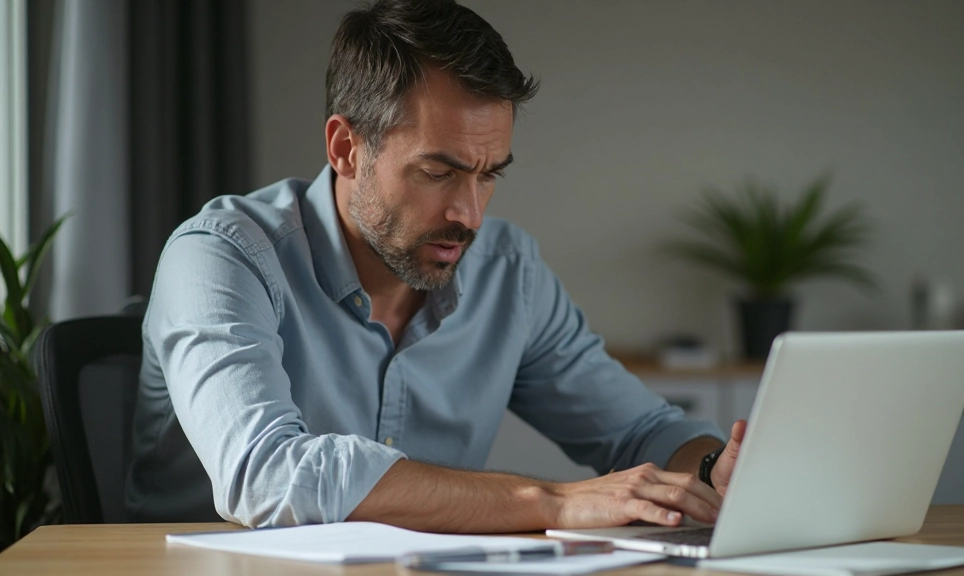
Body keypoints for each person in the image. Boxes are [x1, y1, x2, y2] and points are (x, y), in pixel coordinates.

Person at [126, 0, 746, 532]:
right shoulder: (221, 255)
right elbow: (265, 475)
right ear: (346, 147)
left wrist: (712, 470)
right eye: (438, 172)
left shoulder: (510, 274)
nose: (469, 214)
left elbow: (643, 431)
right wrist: (552, 500)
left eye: (488, 175)